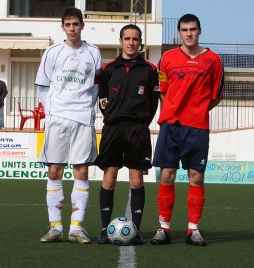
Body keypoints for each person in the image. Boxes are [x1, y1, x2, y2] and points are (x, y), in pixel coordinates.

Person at [150, 14, 225, 246]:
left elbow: (216, 95)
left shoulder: (213, 60)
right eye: (184, 30)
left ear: (199, 31)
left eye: (193, 29)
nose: (189, 33)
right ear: (179, 32)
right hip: (171, 126)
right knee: (166, 175)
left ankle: (193, 230)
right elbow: (162, 90)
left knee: (196, 176)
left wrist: (198, 111)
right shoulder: (167, 58)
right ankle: (164, 228)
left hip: (197, 128)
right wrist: (173, 110)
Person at [35, 7, 102, 244]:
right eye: (68, 24)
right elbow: (43, 85)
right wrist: (51, 112)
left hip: (83, 117)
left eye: (76, 24)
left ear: (82, 25)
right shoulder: (52, 52)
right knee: (55, 170)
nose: (72, 28)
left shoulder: (93, 52)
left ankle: (76, 228)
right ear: (63, 27)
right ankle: (55, 227)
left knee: (82, 171)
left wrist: (87, 108)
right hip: (58, 118)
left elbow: (96, 85)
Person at [94, 24, 160, 245]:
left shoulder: (150, 69)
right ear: (120, 41)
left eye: (135, 39)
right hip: (113, 129)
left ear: (140, 42)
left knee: (136, 179)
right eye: (127, 38)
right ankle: (104, 230)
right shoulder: (109, 69)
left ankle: (137, 231)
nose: (131, 42)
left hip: (138, 131)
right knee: (109, 179)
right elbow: (102, 101)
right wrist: (114, 117)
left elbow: (152, 104)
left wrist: (140, 122)